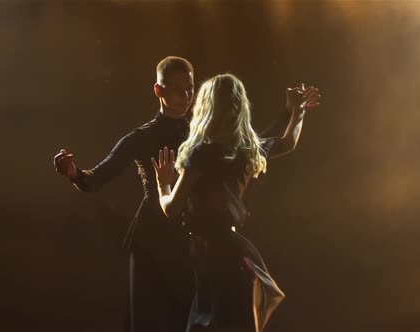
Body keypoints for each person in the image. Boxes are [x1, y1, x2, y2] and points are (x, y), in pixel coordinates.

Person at [53, 57, 292, 331]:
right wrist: (74, 173)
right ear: (159, 91)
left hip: (191, 244)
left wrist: (289, 114)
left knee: (191, 322)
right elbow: (95, 178)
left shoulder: (207, 134)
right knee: (150, 322)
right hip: (153, 245)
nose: (186, 96)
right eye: (177, 89)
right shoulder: (142, 137)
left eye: (190, 88)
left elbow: (254, 145)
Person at [151, 73, 321, 332]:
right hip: (234, 255)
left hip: (212, 257)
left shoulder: (200, 153)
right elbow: (287, 143)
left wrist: (163, 183)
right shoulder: (245, 150)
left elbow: (171, 208)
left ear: (205, 108)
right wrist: (297, 112)